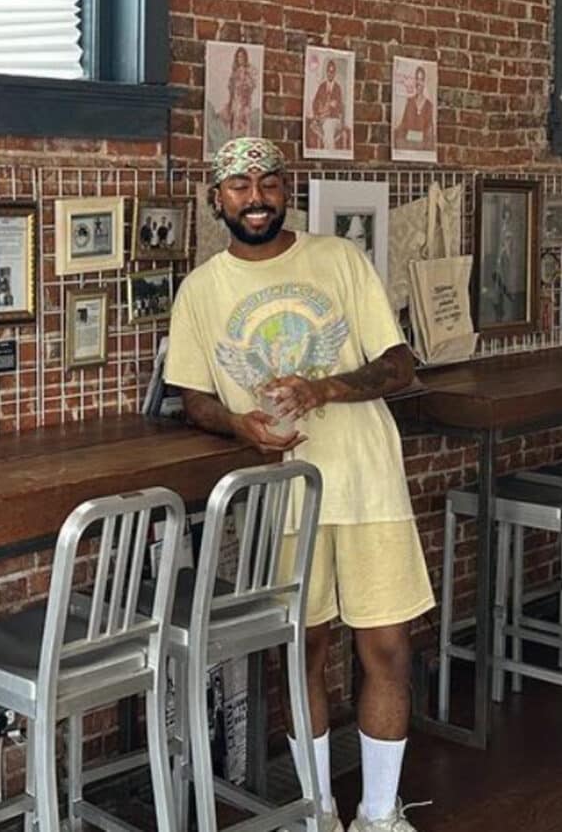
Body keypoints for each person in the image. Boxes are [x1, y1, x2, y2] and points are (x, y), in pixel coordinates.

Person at [167, 137, 430, 832]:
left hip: (368, 479)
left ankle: (379, 814)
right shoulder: (199, 291)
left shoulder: (339, 258)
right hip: (284, 499)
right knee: (301, 652)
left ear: (289, 191)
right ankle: (318, 813)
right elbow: (192, 397)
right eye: (239, 186)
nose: (256, 197)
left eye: (269, 183)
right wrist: (239, 426)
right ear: (215, 197)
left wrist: (325, 387)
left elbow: (400, 366)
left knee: (385, 648)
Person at [309, 57, 347, 152]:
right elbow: (314, 102)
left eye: (332, 72)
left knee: (328, 127)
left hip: (334, 119)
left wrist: (335, 105)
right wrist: (316, 115)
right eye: (329, 72)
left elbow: (341, 107)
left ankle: (329, 152)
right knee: (320, 127)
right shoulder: (322, 86)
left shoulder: (338, 88)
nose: (330, 74)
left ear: (335, 73)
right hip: (322, 118)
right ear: (326, 73)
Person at [393, 66, 434, 152]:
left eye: (421, 79)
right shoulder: (410, 102)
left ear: (424, 82)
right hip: (407, 145)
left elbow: (429, 131)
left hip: (422, 147)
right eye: (417, 79)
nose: (419, 82)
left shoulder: (429, 106)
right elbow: (403, 125)